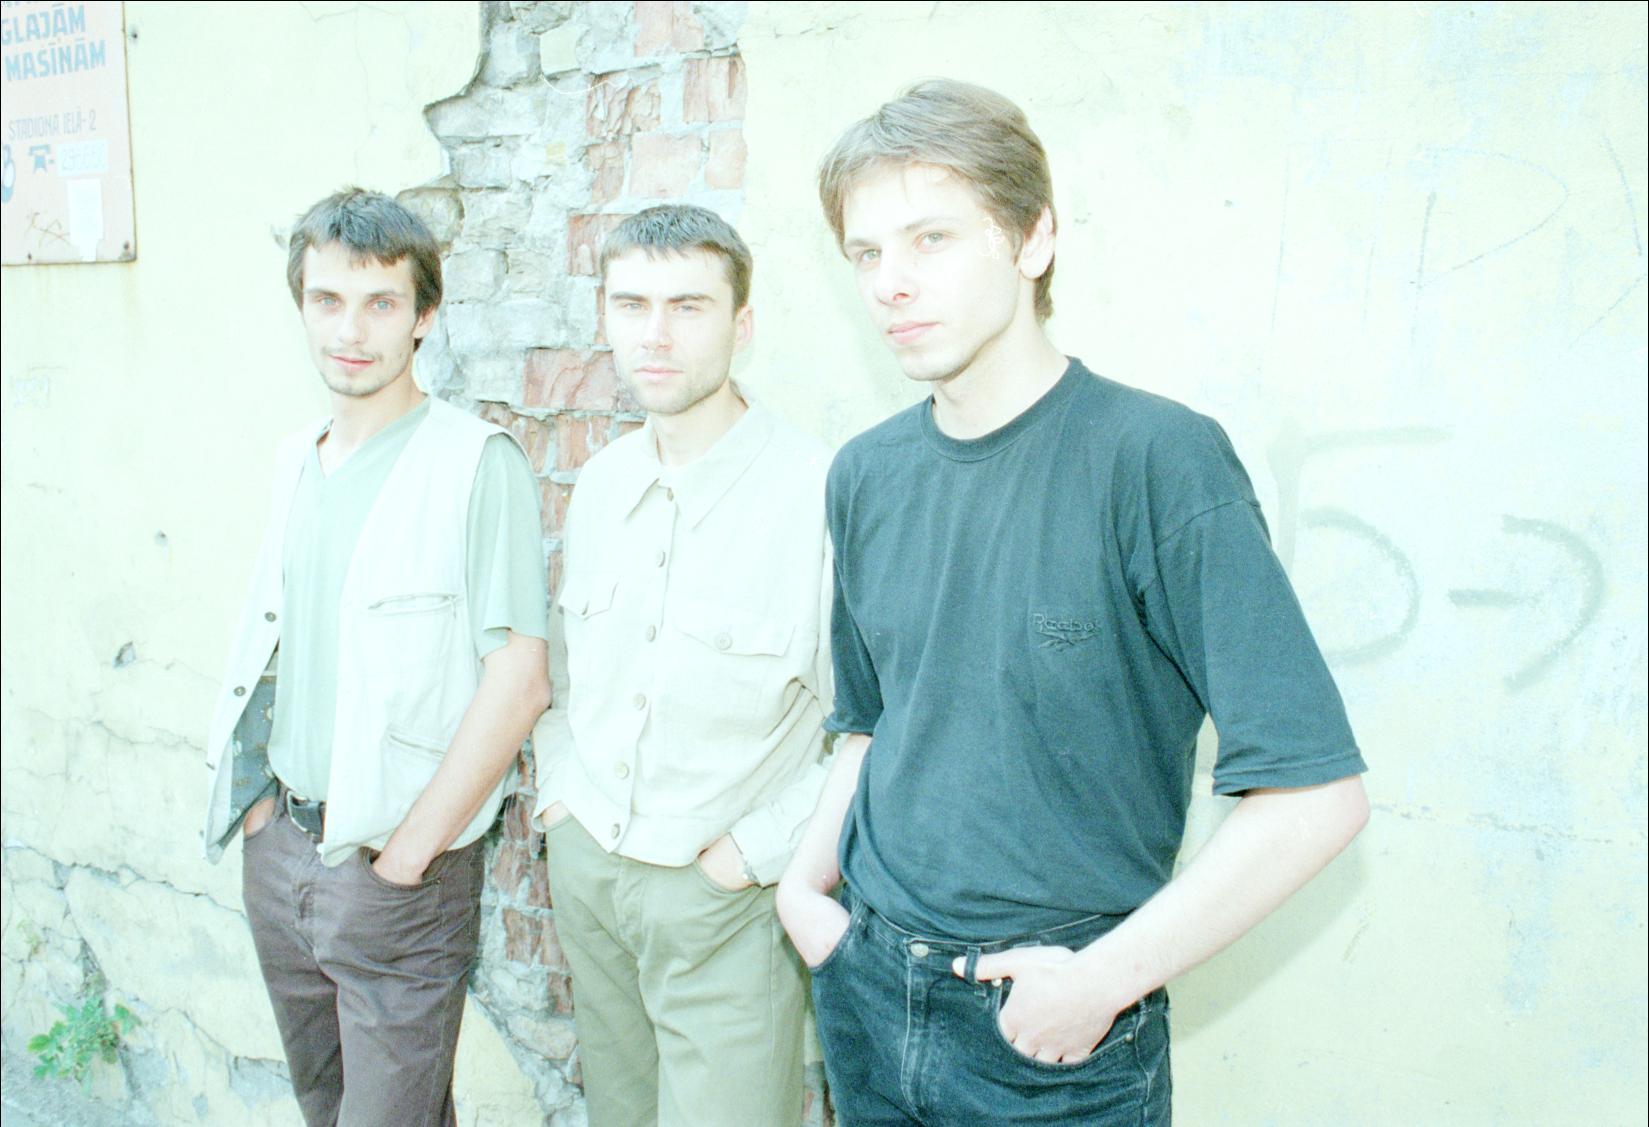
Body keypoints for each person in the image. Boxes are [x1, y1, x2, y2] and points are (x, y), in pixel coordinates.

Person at [777, 79, 1371, 1125]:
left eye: (930, 238)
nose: (889, 283)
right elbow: (872, 721)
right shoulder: (864, 474)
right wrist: (802, 894)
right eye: (865, 253)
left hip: (1048, 1034)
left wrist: (1097, 984)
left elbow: (1316, 797)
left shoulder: (1156, 460)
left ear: (1034, 237)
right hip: (866, 989)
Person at [201, 188, 551, 1126]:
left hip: (397, 871)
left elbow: (519, 681)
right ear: (302, 306)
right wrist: (263, 819)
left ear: (423, 314)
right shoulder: (297, 457)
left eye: (381, 303)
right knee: (327, 1105)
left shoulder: (476, 463)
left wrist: (404, 858)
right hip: (283, 850)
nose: (350, 330)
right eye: (327, 300)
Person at [530, 204, 833, 1127]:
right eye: (632, 305)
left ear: (743, 323)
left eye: (687, 306)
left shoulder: (820, 494)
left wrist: (750, 857)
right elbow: (568, 677)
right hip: (592, 871)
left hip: (722, 902)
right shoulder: (602, 482)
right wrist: (561, 804)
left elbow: (874, 722)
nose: (654, 335)